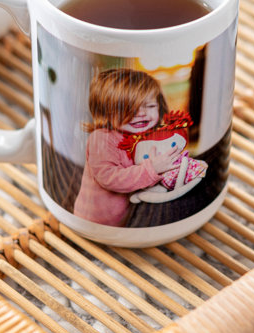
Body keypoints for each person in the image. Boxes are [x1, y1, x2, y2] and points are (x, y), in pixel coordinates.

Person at [73, 68, 181, 226]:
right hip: (92, 223)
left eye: (150, 106)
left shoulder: (146, 138)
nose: (141, 113)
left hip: (127, 222)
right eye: (128, 108)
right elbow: (109, 178)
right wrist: (152, 169)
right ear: (105, 112)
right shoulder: (101, 138)